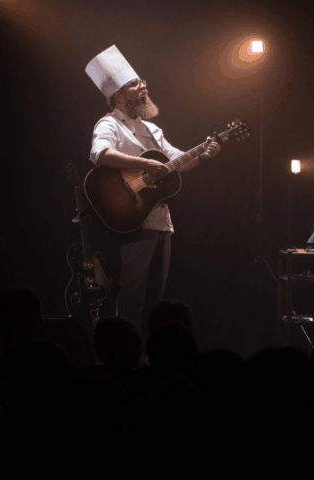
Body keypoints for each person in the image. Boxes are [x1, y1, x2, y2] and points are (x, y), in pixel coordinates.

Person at [85, 45, 219, 335]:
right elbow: (100, 154)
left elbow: (175, 162)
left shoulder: (152, 130)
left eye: (142, 81)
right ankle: (125, 350)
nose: (143, 86)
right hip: (132, 218)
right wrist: (144, 164)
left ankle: (148, 353)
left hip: (160, 221)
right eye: (134, 83)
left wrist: (203, 154)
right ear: (118, 96)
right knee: (133, 293)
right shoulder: (109, 123)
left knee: (154, 297)